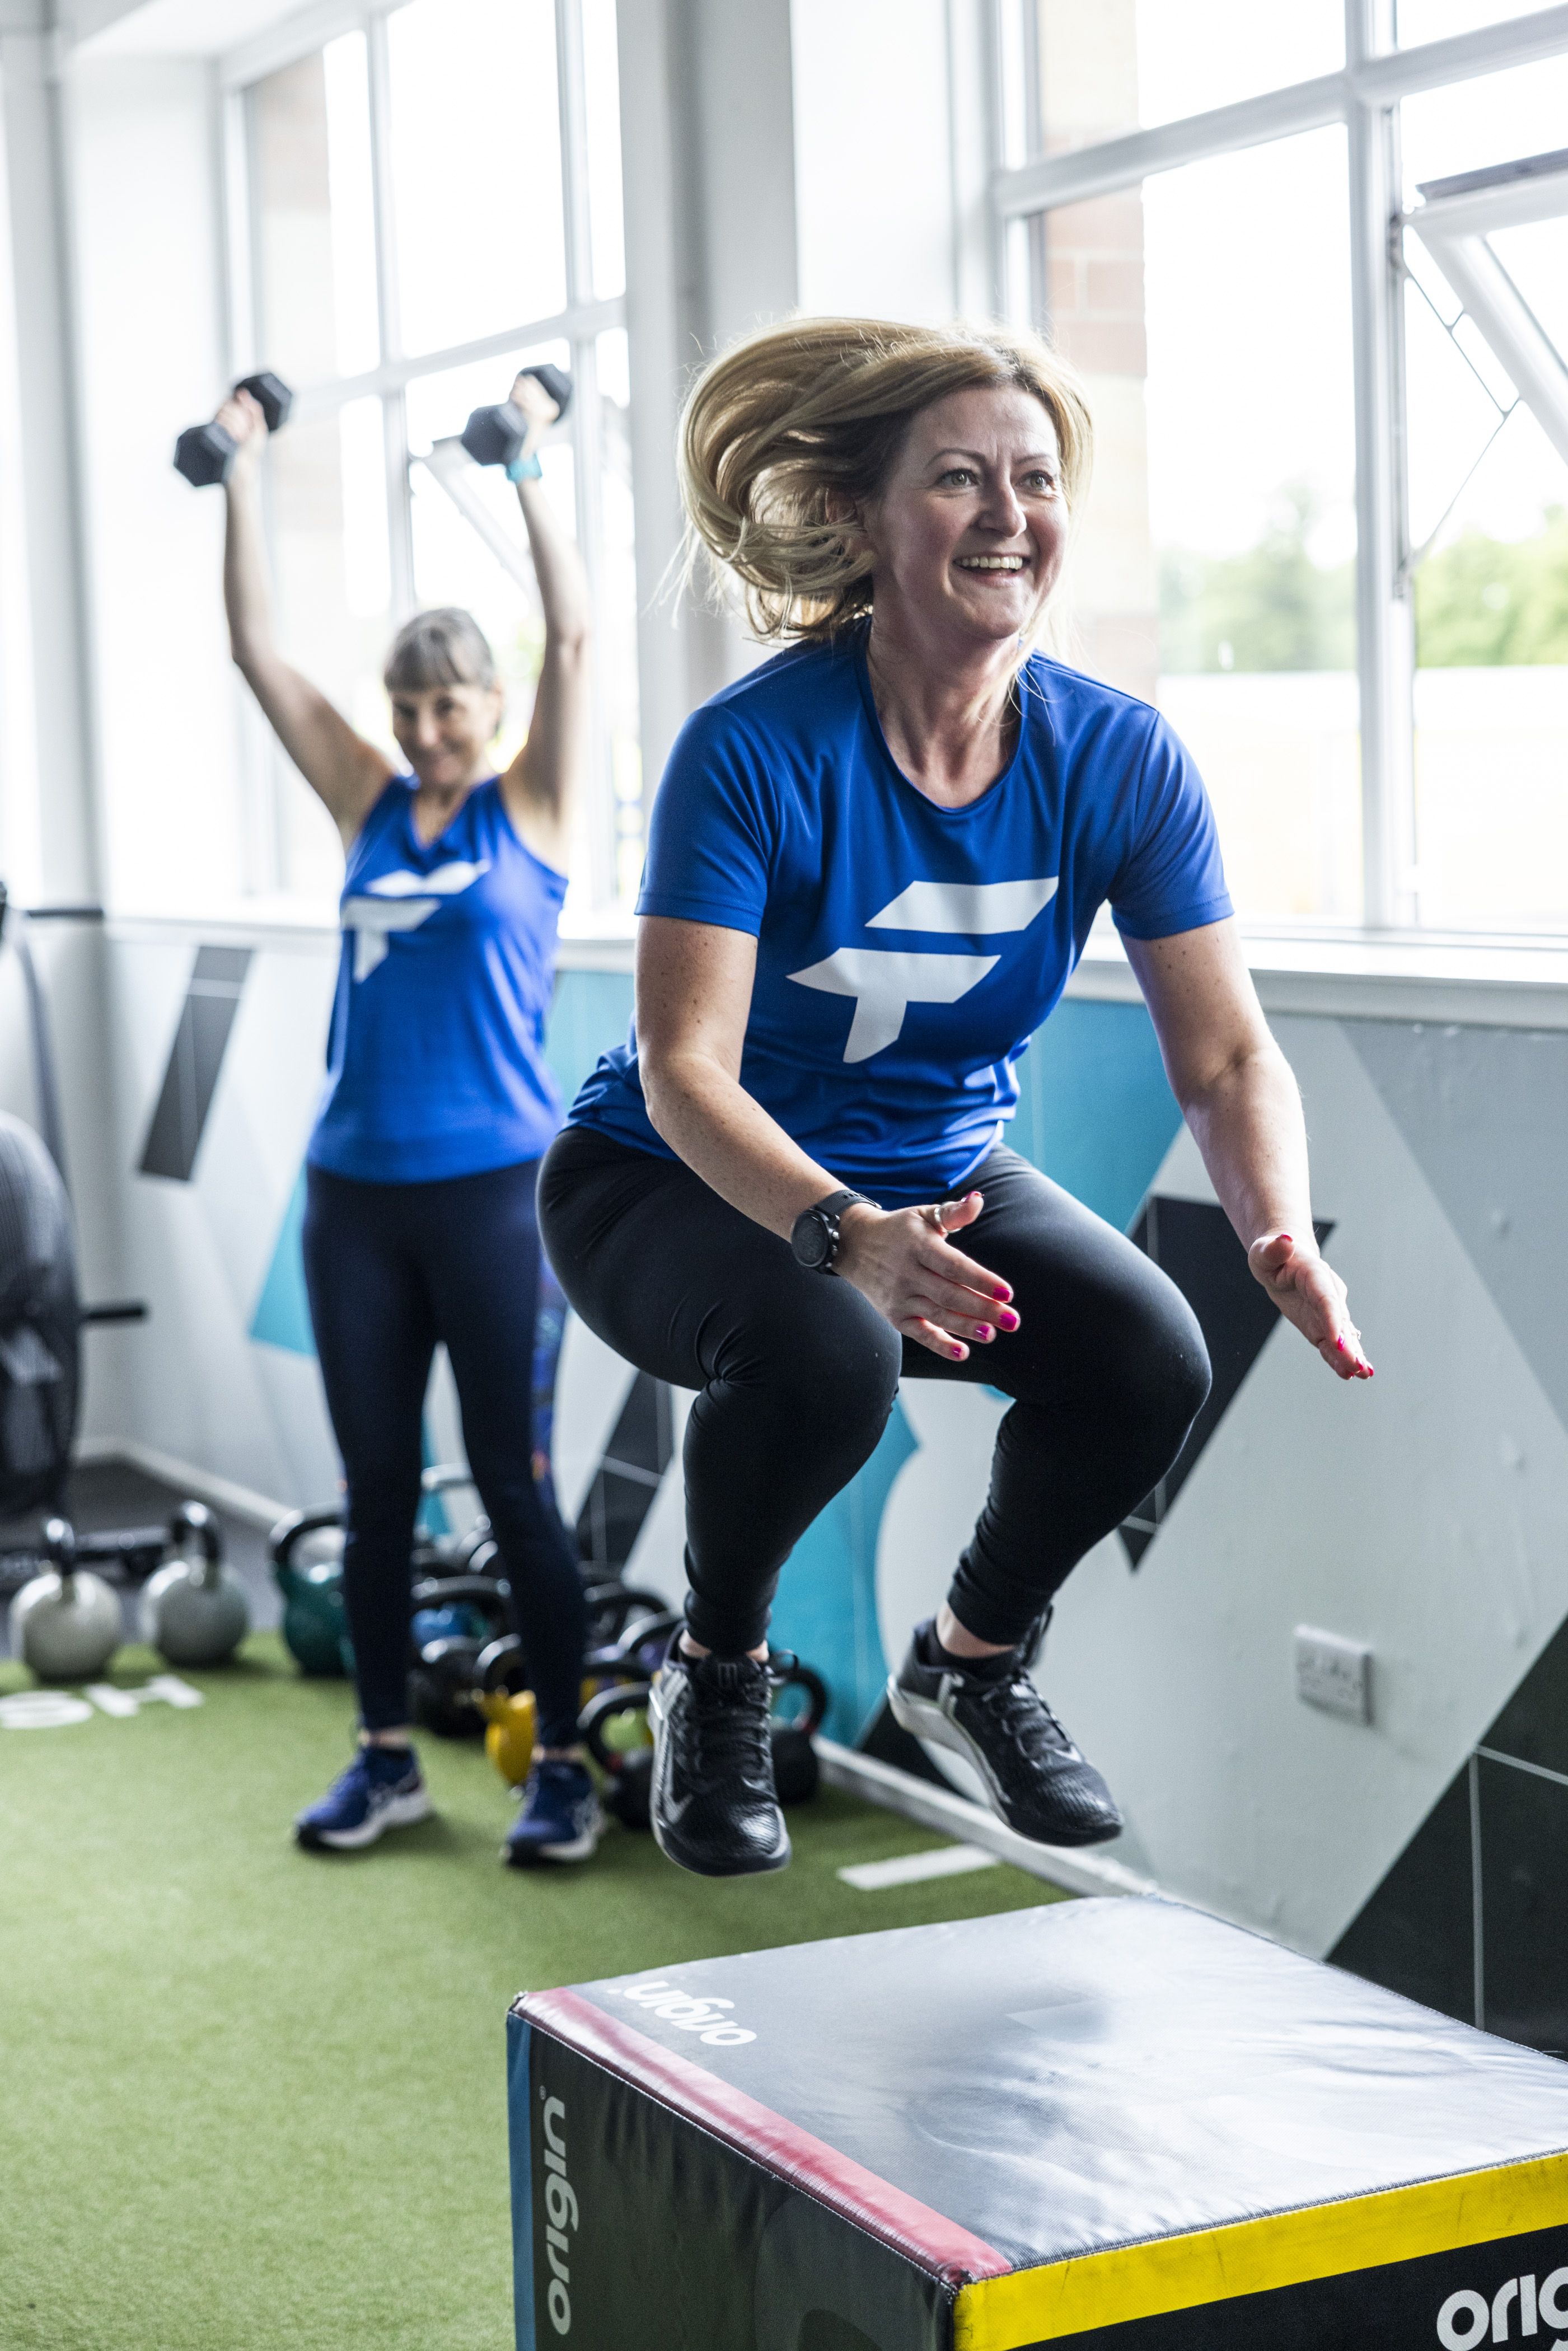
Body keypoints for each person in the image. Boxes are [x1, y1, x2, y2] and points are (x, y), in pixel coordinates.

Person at [539, 316, 1373, 1881]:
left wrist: (1274, 1223)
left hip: (938, 1172)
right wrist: (843, 1231)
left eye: (1035, 480)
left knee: (1146, 1358)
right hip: (665, 1181)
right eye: (958, 479)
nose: (1008, 514)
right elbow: (682, 1065)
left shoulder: (1115, 758)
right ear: (859, 518)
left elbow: (1226, 1057)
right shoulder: (751, 751)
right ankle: (718, 1673)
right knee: (828, 1348)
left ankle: (972, 1666)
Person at [217, 368, 601, 1865]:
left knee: (515, 1493)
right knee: (376, 1498)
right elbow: (257, 653)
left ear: (494, 706)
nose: (432, 728)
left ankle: (561, 1767)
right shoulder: (366, 804)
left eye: (453, 705)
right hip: (354, 1201)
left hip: (494, 1200)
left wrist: (526, 467)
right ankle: (384, 1760)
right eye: (411, 707)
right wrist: (241, 468)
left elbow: (576, 634)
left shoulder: (533, 811)